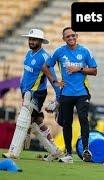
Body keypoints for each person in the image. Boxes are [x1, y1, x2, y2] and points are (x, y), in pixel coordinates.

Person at [2, 29, 62, 161]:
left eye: (34, 39)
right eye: (30, 39)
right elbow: (26, 76)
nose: (31, 41)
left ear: (40, 41)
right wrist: (22, 91)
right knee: (35, 122)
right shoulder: (28, 54)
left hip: (37, 94)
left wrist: (59, 98)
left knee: (23, 119)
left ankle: (13, 152)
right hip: (26, 93)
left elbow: (53, 78)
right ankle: (54, 150)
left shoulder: (45, 57)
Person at [42, 27, 98, 163]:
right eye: (68, 36)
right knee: (67, 123)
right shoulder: (59, 51)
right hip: (66, 93)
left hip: (82, 93)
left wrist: (79, 68)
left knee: (84, 120)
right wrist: (55, 81)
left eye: (73, 35)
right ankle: (68, 154)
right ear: (64, 39)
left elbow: (95, 70)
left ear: (77, 36)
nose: (71, 38)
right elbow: (45, 66)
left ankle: (86, 150)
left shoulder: (85, 51)